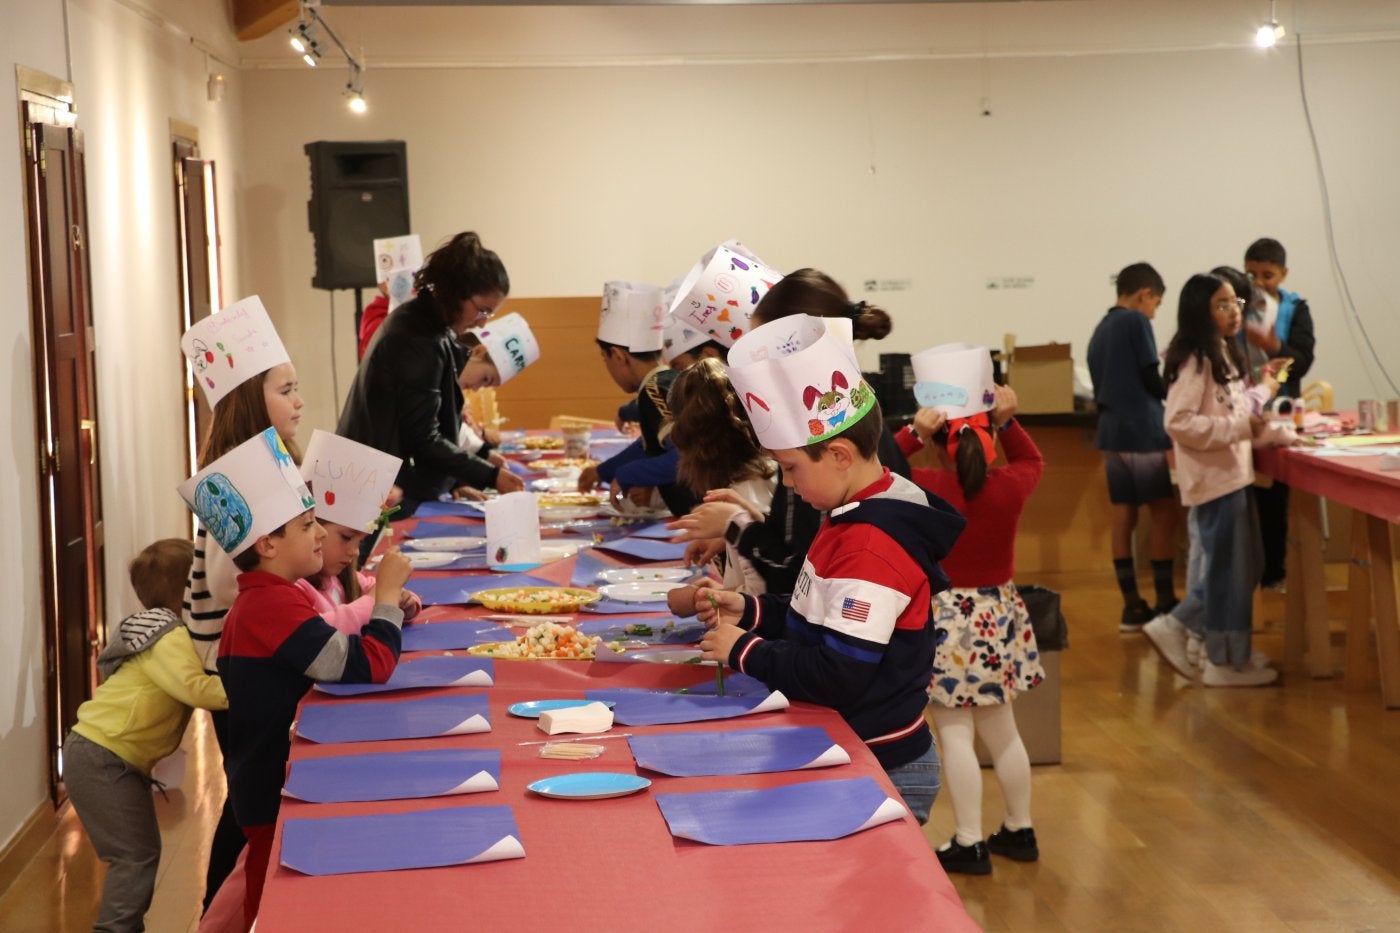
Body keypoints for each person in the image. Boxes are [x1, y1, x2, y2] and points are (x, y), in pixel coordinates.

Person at [695, 312, 965, 824]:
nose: (788, 485)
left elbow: (837, 673)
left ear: (839, 453)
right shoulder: (847, 512)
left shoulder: (871, 544)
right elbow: (815, 616)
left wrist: (743, 650)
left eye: (791, 468)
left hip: (881, 762)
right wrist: (750, 609)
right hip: (857, 748)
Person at [180, 428, 411, 928]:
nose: (324, 536)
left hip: (281, 779)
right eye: (310, 525)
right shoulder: (269, 606)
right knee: (272, 910)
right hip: (273, 786)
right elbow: (366, 664)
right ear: (267, 543)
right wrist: (387, 598)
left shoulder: (273, 598)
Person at [676, 269, 911, 597]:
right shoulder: (845, 423)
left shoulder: (825, 442)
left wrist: (741, 528)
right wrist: (749, 526)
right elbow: (799, 540)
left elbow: (802, 579)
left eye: (761, 354)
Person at [179, 295, 302, 909]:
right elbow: (235, 582)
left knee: (250, 794)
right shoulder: (236, 473)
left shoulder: (272, 461)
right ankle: (218, 912)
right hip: (238, 666)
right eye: (287, 389)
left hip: (259, 652)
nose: (300, 401)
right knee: (248, 795)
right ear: (252, 401)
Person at [898, 374, 1045, 875]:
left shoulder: (928, 487)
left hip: (950, 621)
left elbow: (882, 468)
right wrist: (1008, 422)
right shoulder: (1012, 483)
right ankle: (1020, 829)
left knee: (955, 731)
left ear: (940, 443)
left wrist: (914, 434)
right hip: (1000, 613)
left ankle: (968, 839)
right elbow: (1032, 460)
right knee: (1003, 731)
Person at [63, 539, 228, 933]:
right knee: (134, 856)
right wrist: (255, 689)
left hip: (106, 756)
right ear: (193, 593)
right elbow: (196, 688)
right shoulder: (168, 638)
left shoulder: (162, 632)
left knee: (140, 852)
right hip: (101, 756)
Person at [1145, 267, 1288, 678]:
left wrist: (1270, 433)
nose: (1234, 312)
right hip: (1214, 481)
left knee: (1248, 566)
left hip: (1233, 475)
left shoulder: (1223, 352)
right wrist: (1242, 429)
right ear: (1199, 312)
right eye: (1222, 305)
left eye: (1235, 303)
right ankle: (1188, 633)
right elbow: (1180, 422)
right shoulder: (1196, 358)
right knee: (1229, 571)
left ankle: (1231, 653)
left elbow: (1237, 415)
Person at [337, 231, 523, 516]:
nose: (482, 322)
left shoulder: (428, 323)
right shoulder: (417, 338)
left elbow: (442, 416)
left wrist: (480, 459)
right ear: (458, 292)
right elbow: (423, 437)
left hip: (382, 478)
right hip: (379, 486)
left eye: (490, 314)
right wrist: (488, 474)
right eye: (482, 310)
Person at [1086, 262, 1178, 632]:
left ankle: (1131, 606)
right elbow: (1150, 378)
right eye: (1156, 303)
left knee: (1123, 515)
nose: (1154, 312)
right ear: (1145, 294)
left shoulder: (1100, 329)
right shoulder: (1136, 322)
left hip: (1111, 431)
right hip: (1141, 428)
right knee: (1162, 512)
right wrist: (1179, 389)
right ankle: (1166, 600)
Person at [664, 358, 777, 612]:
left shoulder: (746, 489)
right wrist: (725, 539)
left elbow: (762, 595)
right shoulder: (756, 474)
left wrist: (703, 600)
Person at [577, 281, 696, 516]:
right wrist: (605, 471)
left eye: (605, 359)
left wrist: (626, 475)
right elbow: (651, 448)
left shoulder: (654, 390)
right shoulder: (662, 382)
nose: (608, 367)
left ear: (618, 356)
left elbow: (682, 457)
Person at [1243, 237, 1316, 590]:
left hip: (1280, 413)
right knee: (1245, 497)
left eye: (1267, 275)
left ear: (1283, 274)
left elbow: (1300, 362)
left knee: (1274, 498)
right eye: (1251, 274)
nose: (1259, 283)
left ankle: (1274, 572)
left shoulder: (1296, 308)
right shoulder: (1236, 304)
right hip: (1240, 412)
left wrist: (1273, 353)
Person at [297, 430, 423, 633]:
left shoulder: (342, 577)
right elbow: (322, 632)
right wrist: (379, 597)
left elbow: (382, 588)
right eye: (346, 538)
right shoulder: (298, 588)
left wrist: (406, 602)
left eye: (360, 542)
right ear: (313, 529)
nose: (355, 551)